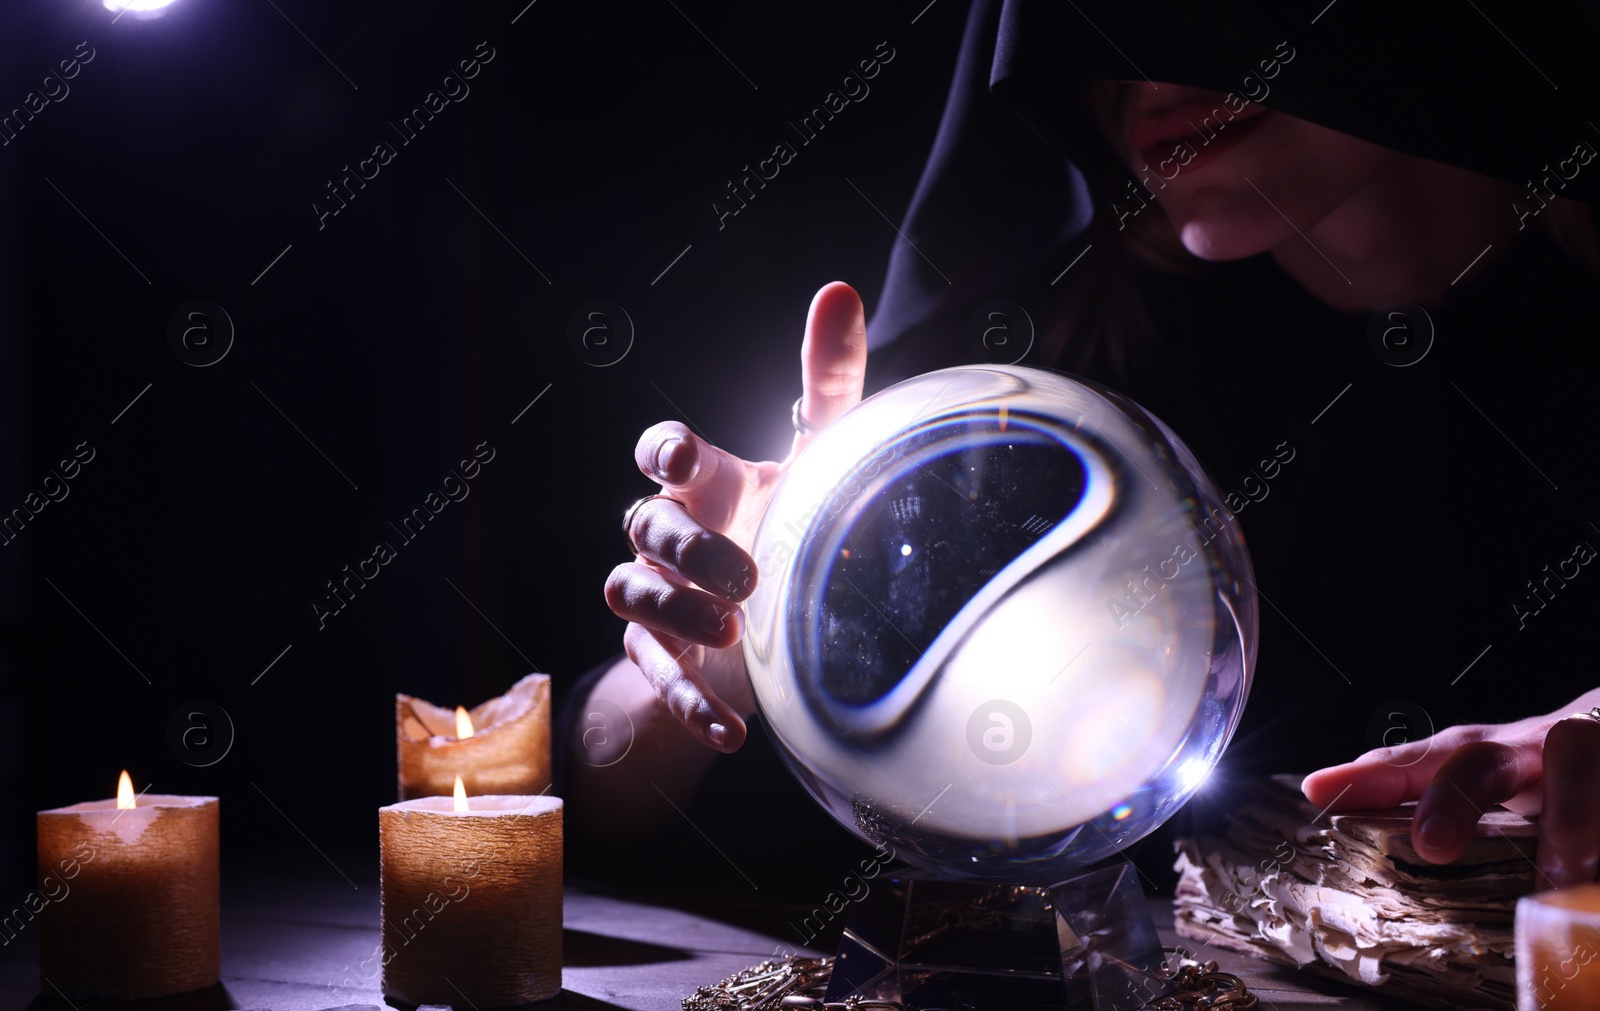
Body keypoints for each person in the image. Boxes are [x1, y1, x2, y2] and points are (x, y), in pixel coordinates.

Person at [579, 0, 1600, 892]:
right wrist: (717, 657)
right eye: (1088, 19)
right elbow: (560, 804)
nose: (1142, 76)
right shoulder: (1023, 413)